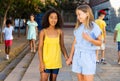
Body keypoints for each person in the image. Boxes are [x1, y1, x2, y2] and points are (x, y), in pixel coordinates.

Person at [66, 5, 102, 81]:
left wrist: (90, 39)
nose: (78, 17)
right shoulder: (79, 27)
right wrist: (70, 57)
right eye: (77, 15)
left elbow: (100, 43)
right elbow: (75, 43)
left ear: (87, 14)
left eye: (79, 14)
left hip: (88, 57)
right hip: (77, 56)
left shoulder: (94, 26)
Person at [38, 9, 69, 81]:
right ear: (47, 18)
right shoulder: (43, 32)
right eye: (51, 17)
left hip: (56, 62)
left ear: (58, 19)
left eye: (55, 18)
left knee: (53, 79)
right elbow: (40, 48)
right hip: (46, 62)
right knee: (43, 79)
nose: (53, 20)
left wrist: (67, 58)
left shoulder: (60, 32)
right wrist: (41, 63)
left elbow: (62, 46)